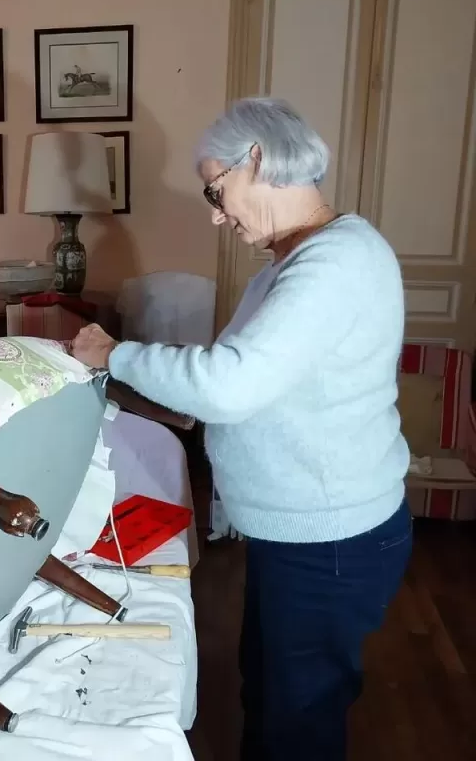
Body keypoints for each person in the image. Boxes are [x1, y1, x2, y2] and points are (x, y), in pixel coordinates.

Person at [71, 97, 412, 761]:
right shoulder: (288, 266)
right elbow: (239, 390)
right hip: (302, 532)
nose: (215, 212)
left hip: (330, 540)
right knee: (273, 694)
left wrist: (115, 353)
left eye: (216, 189)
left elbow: (229, 384)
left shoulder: (333, 263)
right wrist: (136, 393)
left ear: (257, 160)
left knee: (297, 720)